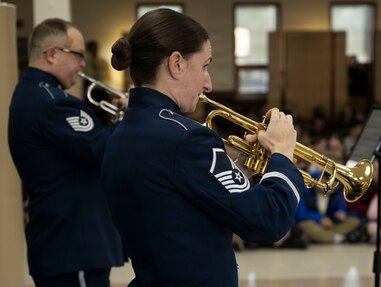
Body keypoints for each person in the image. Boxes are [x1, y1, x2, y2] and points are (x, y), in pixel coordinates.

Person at [101, 8, 305, 287]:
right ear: (177, 64)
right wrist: (282, 154)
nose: (208, 84)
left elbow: (183, 204)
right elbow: (268, 222)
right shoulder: (188, 138)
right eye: (205, 65)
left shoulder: (120, 134)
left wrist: (250, 168)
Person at [8, 18, 125, 286]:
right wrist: (127, 118)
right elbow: (103, 150)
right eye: (78, 55)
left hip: (64, 243)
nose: (82, 64)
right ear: (51, 54)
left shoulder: (34, 94)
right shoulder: (53, 103)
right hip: (75, 246)